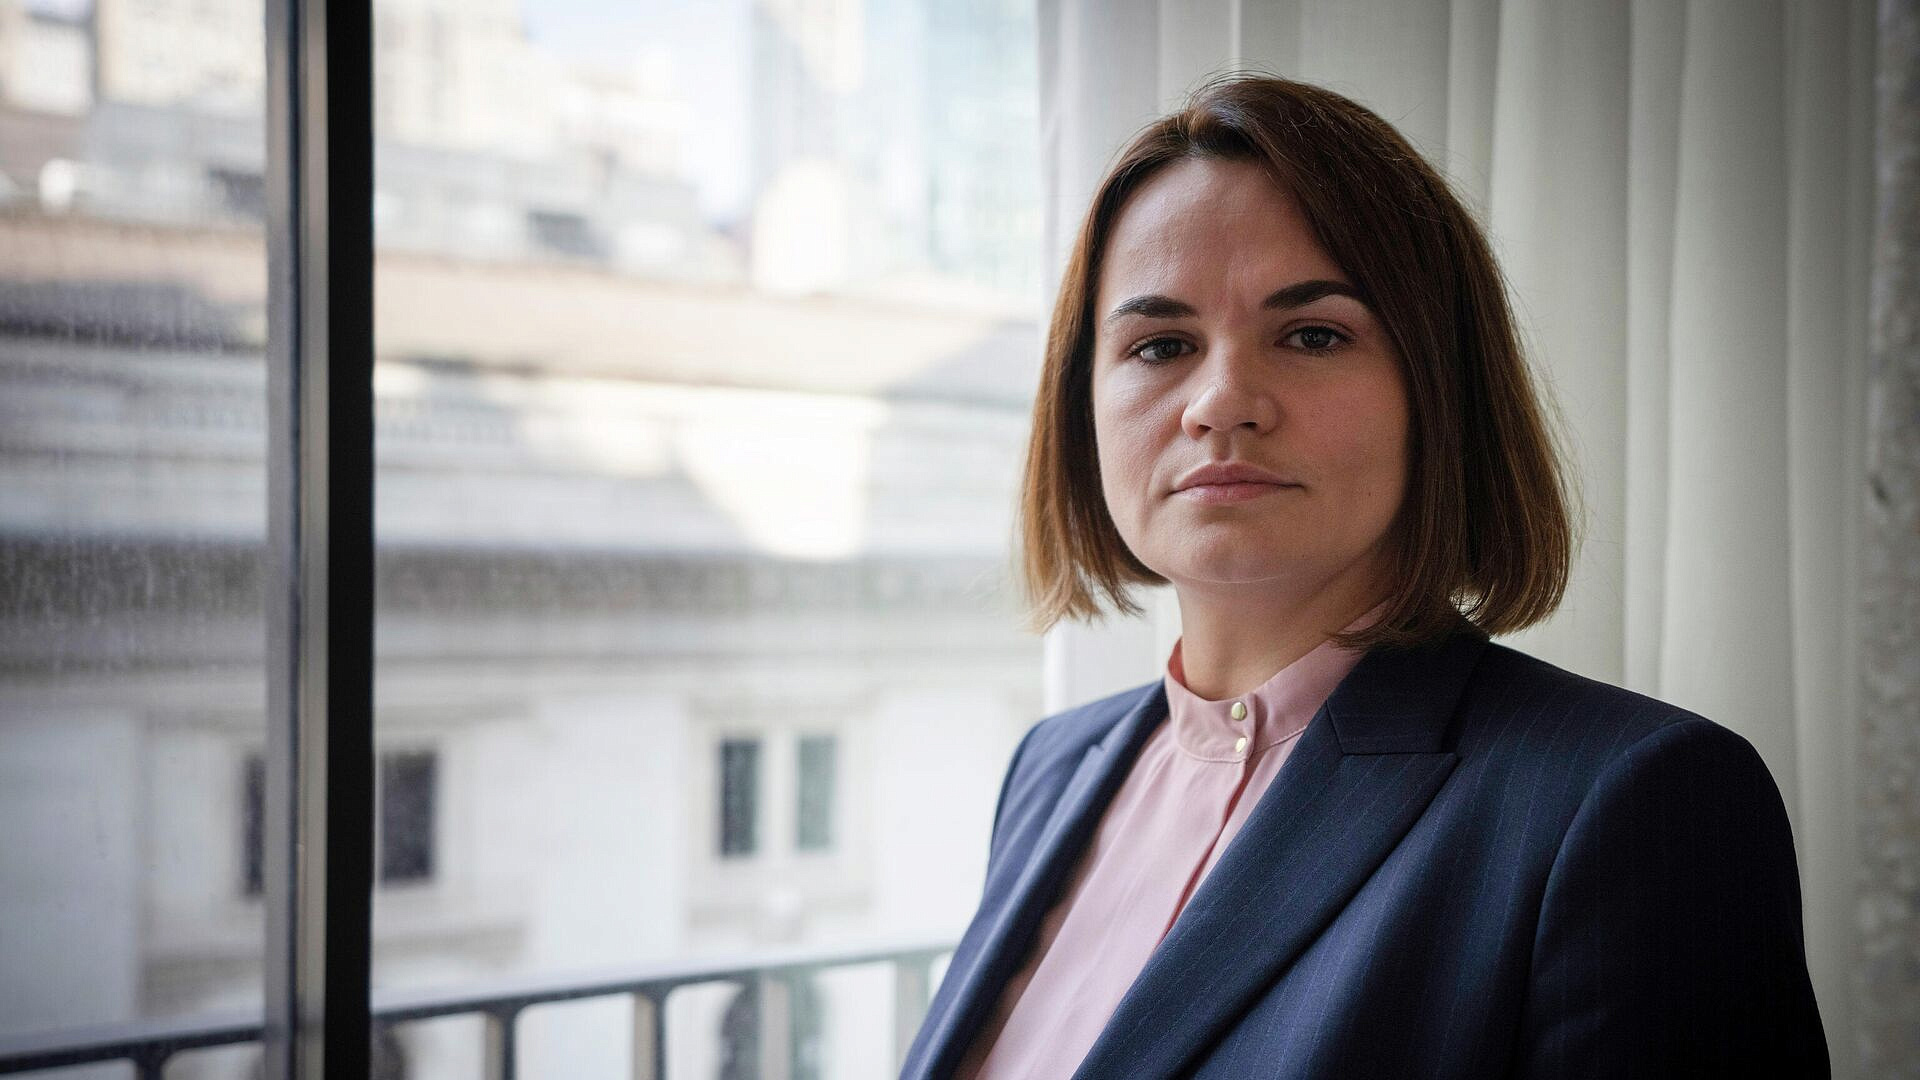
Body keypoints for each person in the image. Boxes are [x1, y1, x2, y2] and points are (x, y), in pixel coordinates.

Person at [899, 74, 1827, 1079]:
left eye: (1313, 335)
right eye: (1160, 345)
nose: (1221, 402)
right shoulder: (1051, 767)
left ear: (1441, 389)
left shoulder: (1637, 801)